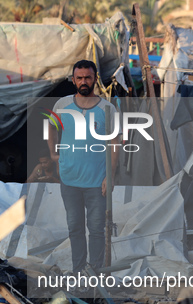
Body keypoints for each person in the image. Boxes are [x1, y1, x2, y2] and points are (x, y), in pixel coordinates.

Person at [47, 60, 120, 273]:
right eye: (79, 78)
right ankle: (79, 270)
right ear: (73, 80)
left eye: (88, 77)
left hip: (97, 181)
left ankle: (94, 272)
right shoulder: (61, 105)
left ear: (95, 79)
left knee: (97, 229)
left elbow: (115, 143)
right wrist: (54, 154)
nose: (83, 81)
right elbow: (51, 128)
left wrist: (110, 175)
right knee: (75, 228)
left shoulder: (107, 108)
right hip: (69, 179)